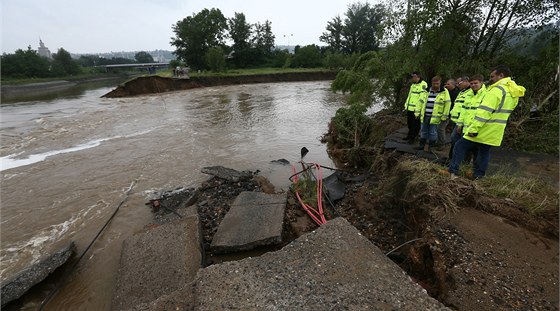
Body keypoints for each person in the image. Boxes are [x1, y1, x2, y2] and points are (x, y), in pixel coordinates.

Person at [448, 65, 526, 179]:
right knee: (483, 152)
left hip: (484, 128)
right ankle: (478, 175)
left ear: (501, 75)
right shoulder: (513, 92)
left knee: (460, 146)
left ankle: (453, 171)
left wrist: (473, 129)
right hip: (496, 130)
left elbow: (484, 113)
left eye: (492, 76)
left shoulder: (496, 91)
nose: (491, 79)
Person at [414, 75, 451, 152]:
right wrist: (417, 113)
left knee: (433, 132)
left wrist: (444, 116)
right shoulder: (426, 91)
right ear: (431, 83)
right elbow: (420, 102)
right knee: (423, 130)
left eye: (437, 83)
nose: (435, 85)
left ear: (440, 83)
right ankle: (421, 145)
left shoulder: (444, 92)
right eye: (434, 83)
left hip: (436, 117)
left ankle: (431, 147)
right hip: (425, 115)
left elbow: (447, 104)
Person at [448, 76, 473, 160]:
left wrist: (461, 122)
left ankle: (463, 161)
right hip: (456, 120)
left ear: (466, 82)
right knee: (454, 140)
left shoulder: (470, 93)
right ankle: (452, 158)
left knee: (462, 141)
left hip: (463, 122)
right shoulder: (461, 92)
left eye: (459, 82)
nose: (458, 85)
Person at [403, 72, 428, 144]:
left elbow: (421, 98)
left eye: (413, 76)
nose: (412, 78)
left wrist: (418, 109)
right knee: (409, 123)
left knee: (415, 125)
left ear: (418, 76)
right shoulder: (413, 85)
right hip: (410, 108)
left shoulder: (423, 84)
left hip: (416, 109)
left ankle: (413, 138)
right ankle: (409, 135)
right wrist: (406, 105)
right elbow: (409, 96)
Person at [437, 79, 460, 147]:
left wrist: (448, 114)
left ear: (453, 85)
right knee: (439, 128)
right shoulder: (447, 92)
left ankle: (442, 144)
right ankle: (439, 142)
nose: (446, 85)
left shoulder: (455, 93)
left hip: (448, 114)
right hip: (442, 113)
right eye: (446, 84)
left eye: (448, 84)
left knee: (441, 128)